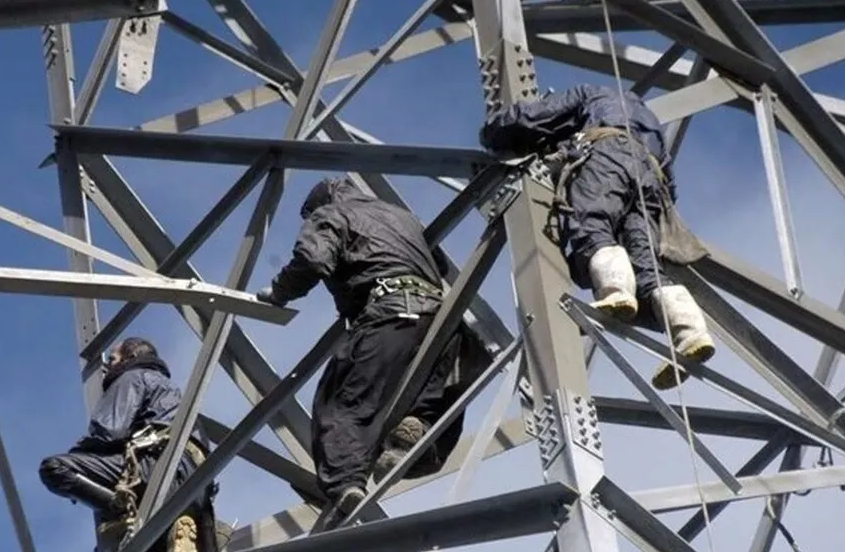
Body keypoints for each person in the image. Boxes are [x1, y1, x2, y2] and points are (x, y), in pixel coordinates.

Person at [255, 176, 490, 515]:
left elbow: (314, 259)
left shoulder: (331, 215)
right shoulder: (403, 217)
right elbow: (436, 263)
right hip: (445, 325)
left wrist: (279, 292)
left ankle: (346, 483)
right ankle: (411, 433)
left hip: (390, 314)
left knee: (341, 405)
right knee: (423, 402)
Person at [478, 82, 716, 389]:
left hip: (607, 153)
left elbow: (534, 118)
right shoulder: (649, 120)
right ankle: (690, 332)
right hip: (651, 180)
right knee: (646, 267)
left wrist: (493, 130)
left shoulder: (589, 93)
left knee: (591, 225)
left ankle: (615, 291)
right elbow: (670, 184)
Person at [39, 337, 220, 552]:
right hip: (196, 488)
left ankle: (122, 511)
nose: (108, 368)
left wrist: (82, 454)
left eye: (113, 360)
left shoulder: (132, 377)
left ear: (131, 358)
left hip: (158, 469)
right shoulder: (174, 392)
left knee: (55, 468)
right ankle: (176, 533)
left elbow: (109, 431)